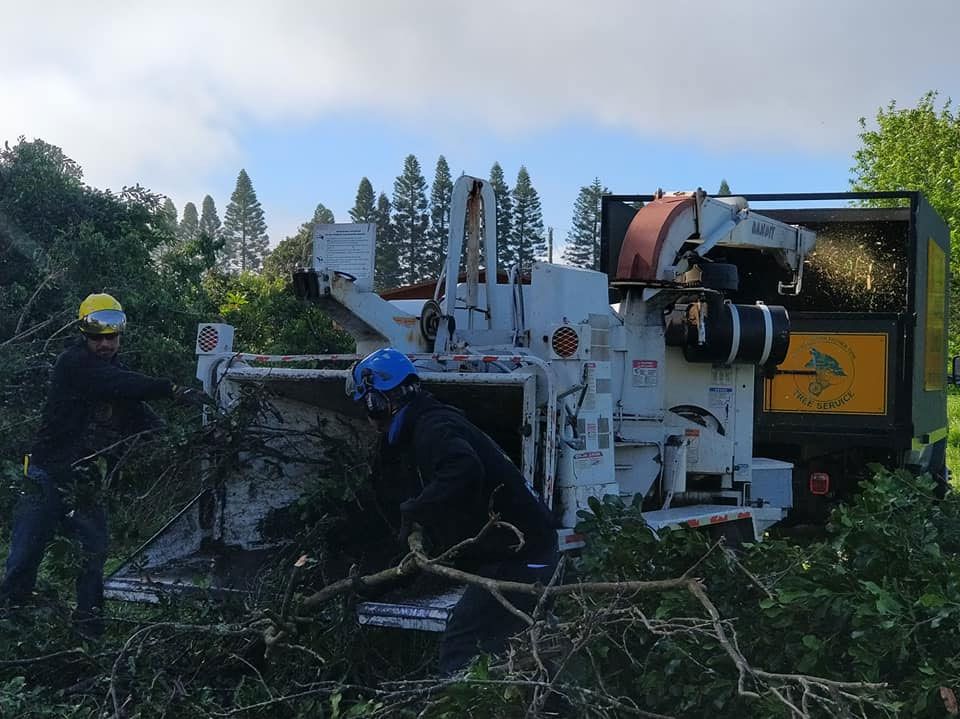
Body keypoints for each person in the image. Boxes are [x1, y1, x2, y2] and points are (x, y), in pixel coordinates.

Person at [0, 293, 207, 636]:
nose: (106, 344)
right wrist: (171, 389)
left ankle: (89, 631)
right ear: (85, 335)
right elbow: (122, 385)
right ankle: (10, 622)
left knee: (92, 557)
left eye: (112, 337)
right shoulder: (74, 364)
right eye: (98, 337)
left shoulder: (116, 374)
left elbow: (142, 416)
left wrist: (186, 440)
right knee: (24, 555)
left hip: (86, 483)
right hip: (47, 474)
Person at [347, 347, 559, 674]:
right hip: (515, 555)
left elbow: (463, 470)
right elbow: (447, 513)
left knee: (462, 648)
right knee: (511, 650)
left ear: (379, 400)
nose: (370, 417)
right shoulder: (429, 425)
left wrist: (415, 510)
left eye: (368, 405)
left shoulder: (433, 428)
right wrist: (386, 581)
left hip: (521, 558)